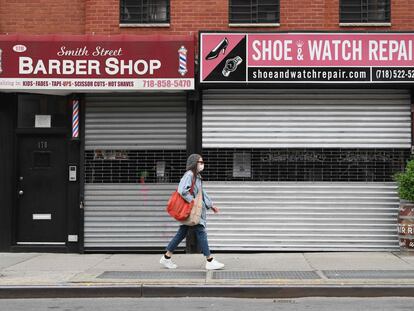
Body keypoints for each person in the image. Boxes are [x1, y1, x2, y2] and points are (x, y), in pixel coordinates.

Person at [160, 154, 225, 270]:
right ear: (194, 163)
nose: (202, 164)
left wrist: (210, 205)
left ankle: (166, 257)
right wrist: (193, 202)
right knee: (201, 231)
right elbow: (182, 190)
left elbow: (201, 193)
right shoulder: (189, 175)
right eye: (200, 162)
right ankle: (209, 260)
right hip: (192, 210)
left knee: (182, 233)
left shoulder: (197, 176)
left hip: (194, 210)